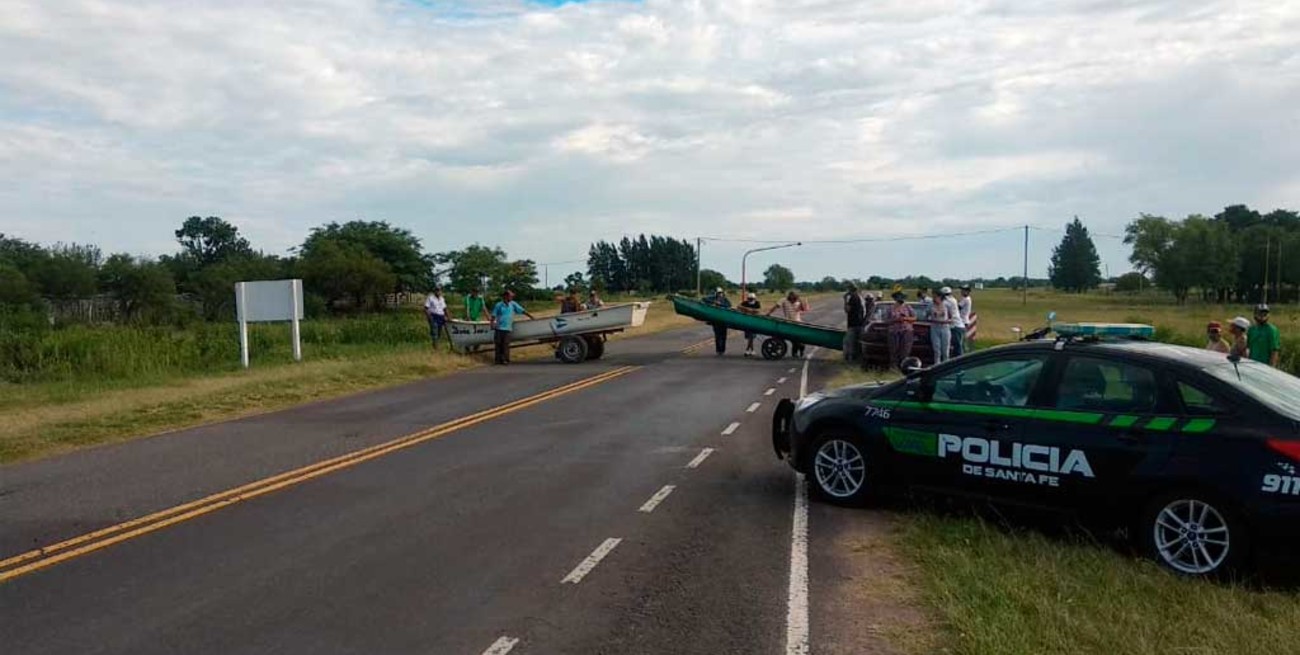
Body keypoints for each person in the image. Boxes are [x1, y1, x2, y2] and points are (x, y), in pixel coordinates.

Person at [490, 290, 534, 365]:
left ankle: (505, 360)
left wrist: (531, 316)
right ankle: (497, 360)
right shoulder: (499, 305)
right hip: (499, 327)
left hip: (507, 328)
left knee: (506, 345)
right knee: (498, 344)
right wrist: (492, 324)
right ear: (505, 296)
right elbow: (493, 315)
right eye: (510, 296)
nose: (511, 298)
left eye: (512, 296)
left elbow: (522, 310)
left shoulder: (513, 304)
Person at [768, 291, 810, 358]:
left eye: (795, 299)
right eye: (793, 299)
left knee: (799, 341)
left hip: (798, 322)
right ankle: (794, 354)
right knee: (793, 340)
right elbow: (776, 306)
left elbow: (804, 309)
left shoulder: (798, 301)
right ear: (790, 297)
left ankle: (801, 349)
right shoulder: (784, 300)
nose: (794, 301)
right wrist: (769, 313)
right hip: (789, 323)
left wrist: (802, 302)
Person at [887, 290, 917, 370]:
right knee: (894, 350)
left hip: (906, 331)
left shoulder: (908, 307)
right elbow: (887, 320)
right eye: (898, 297)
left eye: (902, 297)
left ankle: (903, 367)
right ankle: (893, 367)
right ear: (895, 298)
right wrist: (896, 320)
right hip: (894, 331)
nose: (900, 298)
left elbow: (914, 318)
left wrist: (905, 318)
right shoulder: (890, 308)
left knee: (905, 350)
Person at [703, 288, 732, 355]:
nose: (720, 294)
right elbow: (704, 299)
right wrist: (714, 302)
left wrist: (721, 304)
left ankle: (722, 350)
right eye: (718, 293)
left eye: (721, 292)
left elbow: (729, 305)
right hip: (716, 320)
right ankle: (718, 350)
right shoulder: (713, 298)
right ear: (716, 293)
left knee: (723, 336)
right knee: (717, 336)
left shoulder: (725, 299)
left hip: (724, 320)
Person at [843, 284, 866, 362]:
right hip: (861, 322)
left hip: (853, 323)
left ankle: (850, 359)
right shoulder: (861, 297)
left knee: (849, 342)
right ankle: (859, 358)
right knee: (859, 342)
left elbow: (847, 310)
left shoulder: (853, 297)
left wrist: (845, 300)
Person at [930, 287, 953, 364]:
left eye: (935, 296)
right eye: (933, 296)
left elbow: (952, 317)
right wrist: (931, 318)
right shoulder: (930, 305)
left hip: (945, 327)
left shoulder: (947, 304)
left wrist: (948, 321)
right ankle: (937, 364)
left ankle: (946, 364)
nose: (934, 298)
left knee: (945, 349)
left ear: (940, 296)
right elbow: (925, 315)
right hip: (935, 327)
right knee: (936, 349)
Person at [739, 292, 762, 357]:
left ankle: (747, 350)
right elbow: (738, 307)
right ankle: (751, 350)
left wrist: (750, 310)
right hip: (746, 321)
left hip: (754, 322)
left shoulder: (757, 303)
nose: (751, 300)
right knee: (750, 337)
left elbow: (758, 311)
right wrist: (746, 309)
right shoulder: (745, 303)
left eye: (752, 299)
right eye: (750, 298)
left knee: (751, 336)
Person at [955, 285, 973, 355]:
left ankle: (962, 355)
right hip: (964, 320)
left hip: (963, 321)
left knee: (961, 341)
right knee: (962, 340)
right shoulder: (965, 298)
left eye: (963, 290)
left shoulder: (966, 299)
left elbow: (958, 307)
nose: (961, 292)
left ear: (967, 291)